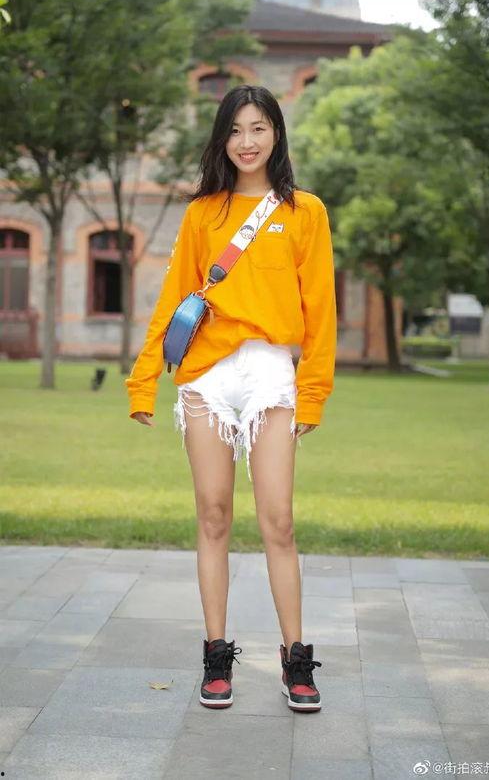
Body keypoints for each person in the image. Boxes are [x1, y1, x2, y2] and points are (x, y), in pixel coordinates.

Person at [125, 84, 336, 713]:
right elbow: (173, 301)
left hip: (271, 374)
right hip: (207, 376)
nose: (247, 142)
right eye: (236, 130)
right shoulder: (202, 214)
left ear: (277, 134)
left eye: (259, 128)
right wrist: (143, 379)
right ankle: (216, 656)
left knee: (278, 521)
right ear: (222, 139)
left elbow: (320, 312)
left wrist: (313, 393)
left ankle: (296, 660)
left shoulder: (306, 212)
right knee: (214, 515)